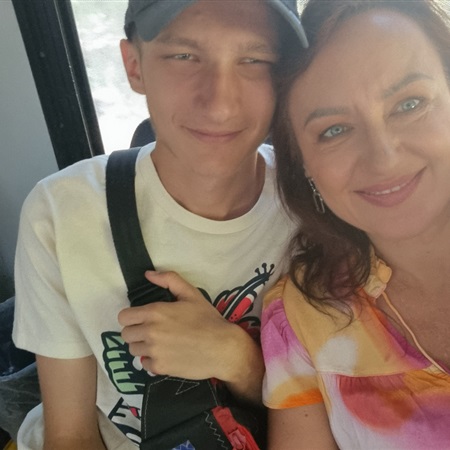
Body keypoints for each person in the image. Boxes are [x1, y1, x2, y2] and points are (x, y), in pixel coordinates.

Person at [12, 0, 307, 449]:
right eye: (184, 56)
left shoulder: (315, 208)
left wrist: (238, 359)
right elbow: (70, 433)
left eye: (254, 59)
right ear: (134, 66)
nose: (219, 104)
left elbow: (327, 414)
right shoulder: (63, 212)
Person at [261, 0, 450, 448]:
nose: (383, 158)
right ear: (302, 164)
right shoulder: (304, 315)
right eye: (334, 130)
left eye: (410, 103)